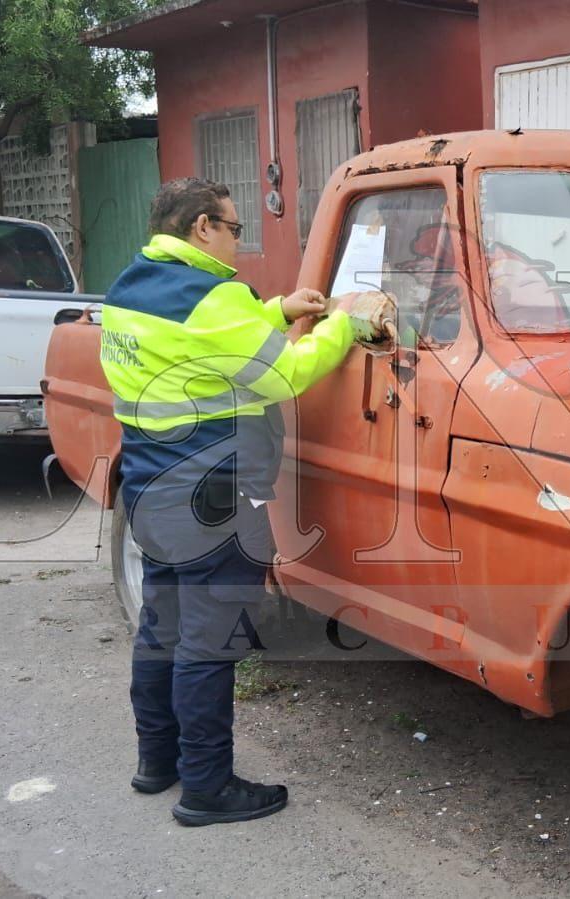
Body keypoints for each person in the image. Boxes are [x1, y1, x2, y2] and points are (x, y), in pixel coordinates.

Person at [100, 178, 374, 826]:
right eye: (233, 227)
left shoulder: (128, 289)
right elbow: (285, 374)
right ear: (202, 227)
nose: (235, 239)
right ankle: (207, 786)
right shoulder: (213, 297)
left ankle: (157, 762)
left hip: (150, 487)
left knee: (161, 630)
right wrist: (343, 325)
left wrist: (276, 309)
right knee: (207, 643)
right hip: (211, 498)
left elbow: (198, 346)